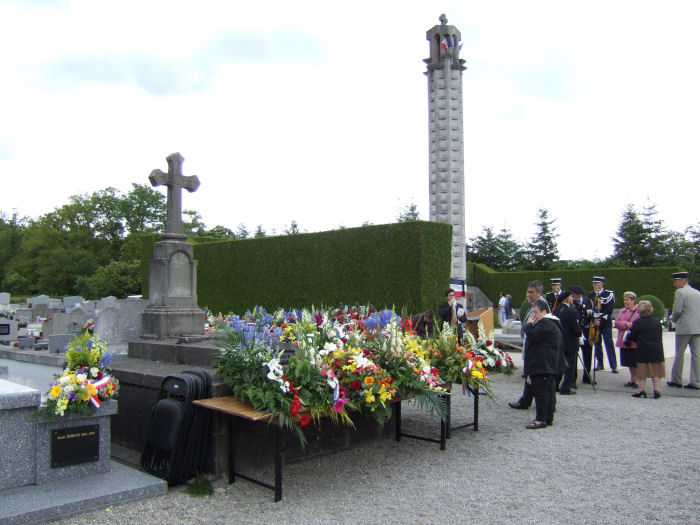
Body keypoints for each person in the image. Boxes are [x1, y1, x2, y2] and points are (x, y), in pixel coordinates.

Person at [523, 297, 564, 428]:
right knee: (548, 392)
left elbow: (533, 335)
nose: (534, 315)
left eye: (536, 312)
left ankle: (541, 419)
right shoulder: (551, 322)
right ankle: (548, 418)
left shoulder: (546, 323)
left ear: (544, 311)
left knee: (541, 393)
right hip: (547, 364)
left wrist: (528, 325)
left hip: (542, 365)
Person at [508, 281, 543, 410]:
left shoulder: (541, 305)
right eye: (527, 291)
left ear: (539, 293)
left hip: (536, 345)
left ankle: (537, 403)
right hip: (530, 343)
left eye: (531, 292)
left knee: (534, 375)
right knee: (530, 374)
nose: (528, 294)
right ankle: (526, 400)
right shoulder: (532, 304)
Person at [624, 300, 666, 398]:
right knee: (656, 371)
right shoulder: (657, 322)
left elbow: (632, 336)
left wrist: (628, 341)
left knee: (642, 372)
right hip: (657, 348)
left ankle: (641, 390)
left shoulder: (637, 322)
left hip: (643, 349)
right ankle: (656, 390)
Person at [668, 271, 700, 389]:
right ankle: (696, 381)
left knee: (679, 354)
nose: (674, 284)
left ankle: (677, 380)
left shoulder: (680, 292)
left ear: (682, 281)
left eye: (676, 282)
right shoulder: (697, 292)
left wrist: (672, 318)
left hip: (685, 327)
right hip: (697, 327)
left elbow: (677, 310)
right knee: (697, 355)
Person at [554, 290, 581, 395]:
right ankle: (566, 387)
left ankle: (555, 385)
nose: (572, 299)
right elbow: (576, 329)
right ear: (566, 299)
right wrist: (579, 333)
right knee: (570, 366)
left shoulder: (556, 310)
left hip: (559, 342)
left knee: (559, 365)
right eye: (571, 297)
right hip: (570, 342)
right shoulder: (571, 311)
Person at [588, 276, 617, 373]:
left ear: (601, 284)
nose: (594, 285)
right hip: (595, 323)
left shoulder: (609, 294)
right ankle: (600, 364)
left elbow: (609, 310)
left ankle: (613, 365)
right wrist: (594, 320)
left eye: (596, 283)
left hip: (605, 323)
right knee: (597, 343)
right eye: (593, 283)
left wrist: (600, 319)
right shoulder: (591, 295)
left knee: (609, 343)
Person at [614, 291, 640, 388]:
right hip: (624, 339)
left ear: (633, 301)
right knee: (628, 360)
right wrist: (625, 324)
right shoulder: (621, 311)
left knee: (634, 361)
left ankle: (636, 379)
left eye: (627, 300)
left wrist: (631, 325)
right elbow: (616, 323)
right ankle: (632, 378)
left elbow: (639, 324)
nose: (625, 302)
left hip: (633, 339)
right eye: (624, 300)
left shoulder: (638, 311)